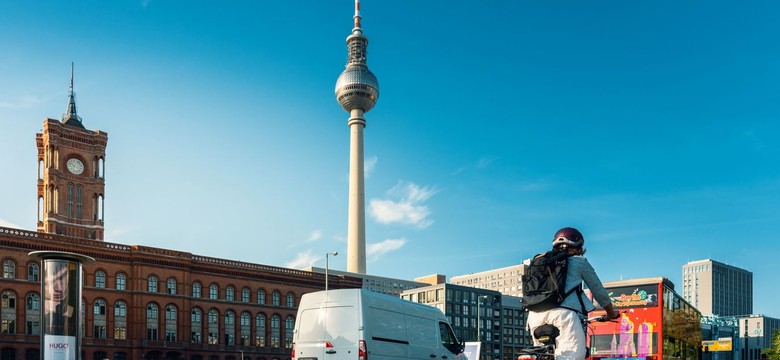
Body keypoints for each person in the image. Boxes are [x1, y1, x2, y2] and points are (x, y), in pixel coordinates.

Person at [526, 227, 620, 360]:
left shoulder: (540, 261)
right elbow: (598, 291)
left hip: (534, 316)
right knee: (574, 356)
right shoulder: (579, 262)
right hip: (564, 316)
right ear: (579, 246)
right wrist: (611, 313)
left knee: (542, 355)